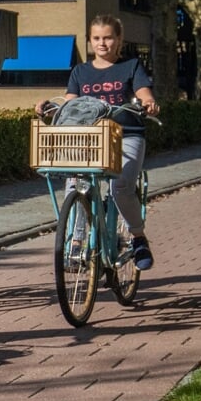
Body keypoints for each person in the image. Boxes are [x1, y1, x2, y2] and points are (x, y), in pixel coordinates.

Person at [36, 14, 160, 270]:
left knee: (121, 187)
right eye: (96, 38)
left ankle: (138, 238)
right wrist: (50, 107)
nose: (102, 43)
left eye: (108, 38)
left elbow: (143, 92)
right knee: (75, 185)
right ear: (90, 41)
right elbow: (71, 103)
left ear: (119, 40)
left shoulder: (132, 66)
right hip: (89, 139)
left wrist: (148, 102)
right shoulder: (80, 71)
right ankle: (77, 243)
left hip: (126, 134)